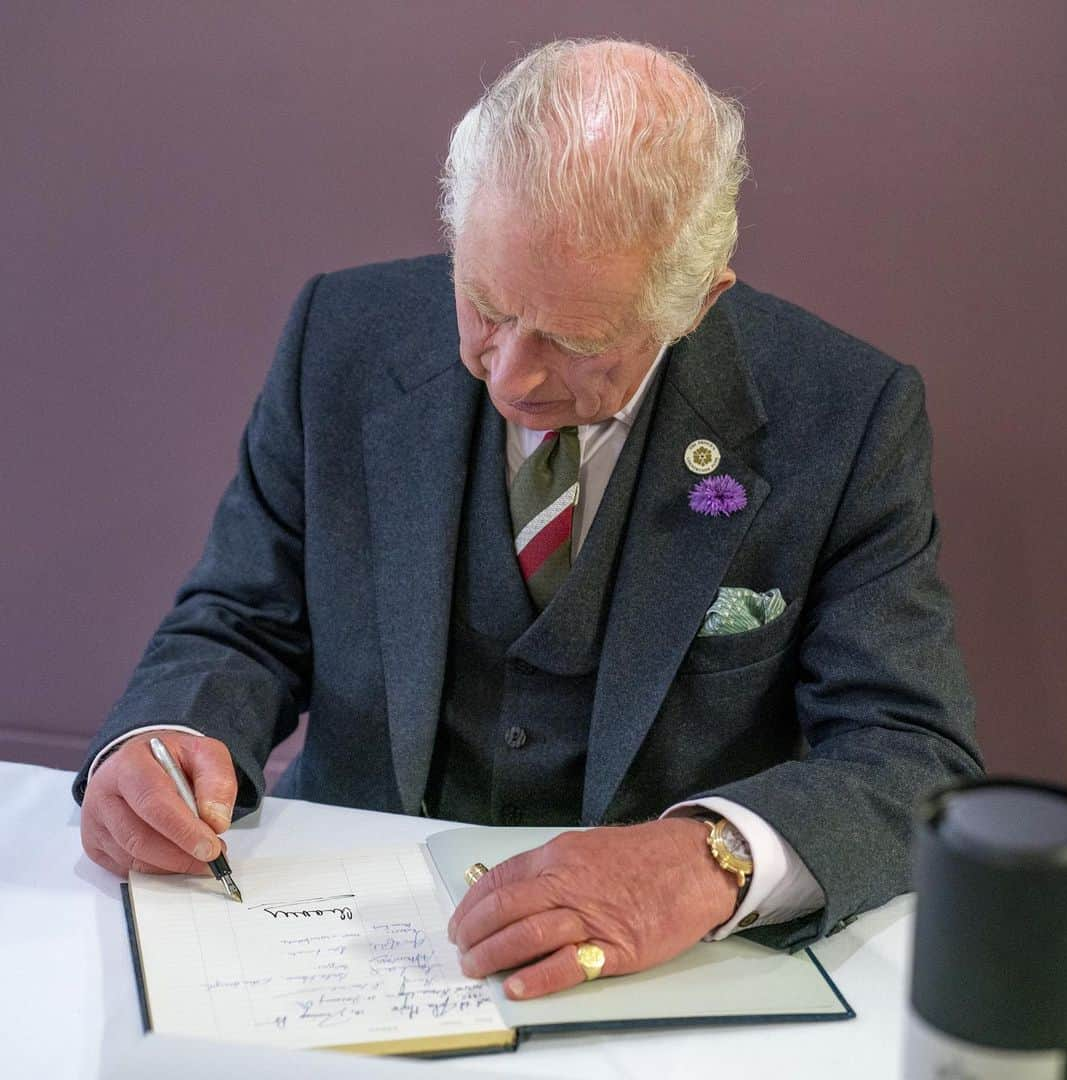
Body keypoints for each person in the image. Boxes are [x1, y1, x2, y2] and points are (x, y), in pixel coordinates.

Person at [74, 38, 982, 1000]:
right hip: (342, 926)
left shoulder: (842, 413)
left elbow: (911, 750)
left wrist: (709, 861)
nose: (509, 375)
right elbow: (241, 618)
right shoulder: (338, 336)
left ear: (697, 302)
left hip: (669, 970)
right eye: (485, 303)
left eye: (578, 340)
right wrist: (161, 741)